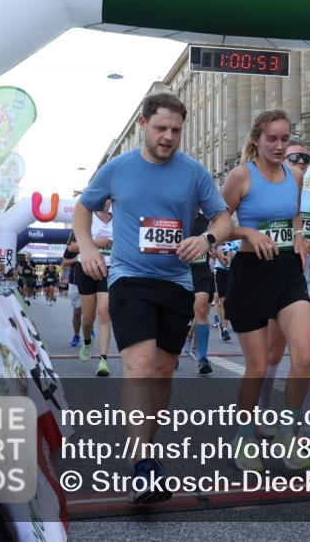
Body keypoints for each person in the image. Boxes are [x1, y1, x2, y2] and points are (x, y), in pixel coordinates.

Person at [76, 91, 231, 504]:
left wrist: (206, 237)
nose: (168, 137)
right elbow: (83, 206)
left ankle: (147, 445)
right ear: (143, 125)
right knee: (139, 366)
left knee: (162, 372)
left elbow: (223, 217)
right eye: (161, 128)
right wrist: (88, 248)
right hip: (130, 278)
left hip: (176, 282)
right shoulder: (119, 168)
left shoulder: (193, 171)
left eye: (176, 130)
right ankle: (142, 465)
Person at [220, 110, 310, 472]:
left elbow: (292, 215)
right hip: (250, 274)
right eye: (271, 139)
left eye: (284, 139)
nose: (279, 146)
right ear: (257, 140)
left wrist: (297, 236)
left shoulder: (295, 175)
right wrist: (248, 233)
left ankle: (289, 429)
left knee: (304, 356)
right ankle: (244, 436)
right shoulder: (241, 176)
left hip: (289, 272)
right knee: (257, 367)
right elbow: (220, 222)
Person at [258, 138, 310, 444]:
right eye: (294, 158)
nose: (301, 163)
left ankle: (307, 421)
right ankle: (263, 414)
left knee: (308, 355)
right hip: (278, 283)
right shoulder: (268, 196)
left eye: (305, 158)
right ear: (280, 161)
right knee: (274, 353)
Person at [75, 200, 114, 376]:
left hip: (110, 268)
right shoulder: (86, 217)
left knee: (104, 312)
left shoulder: (119, 219)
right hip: (87, 267)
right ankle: (87, 340)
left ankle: (103, 360)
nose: (104, 201)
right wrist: (95, 242)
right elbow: (72, 247)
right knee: (87, 318)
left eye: (108, 198)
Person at [186, 208, 217, 375]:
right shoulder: (177, 216)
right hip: (179, 273)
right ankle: (174, 351)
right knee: (180, 315)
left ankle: (202, 357)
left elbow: (214, 242)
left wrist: (213, 250)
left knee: (201, 309)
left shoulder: (207, 221)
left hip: (202, 273)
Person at [211, 239, 238, 341]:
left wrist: (234, 254)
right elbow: (216, 254)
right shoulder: (220, 240)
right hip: (221, 271)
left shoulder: (239, 240)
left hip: (235, 272)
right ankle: (225, 329)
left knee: (233, 300)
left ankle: (230, 321)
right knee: (223, 300)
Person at [61, 235, 83, 348]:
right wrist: (77, 259)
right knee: (77, 312)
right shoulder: (71, 247)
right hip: (74, 283)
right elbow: (63, 263)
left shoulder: (93, 242)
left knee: (90, 312)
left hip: (92, 281)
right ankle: (77, 335)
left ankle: (89, 327)